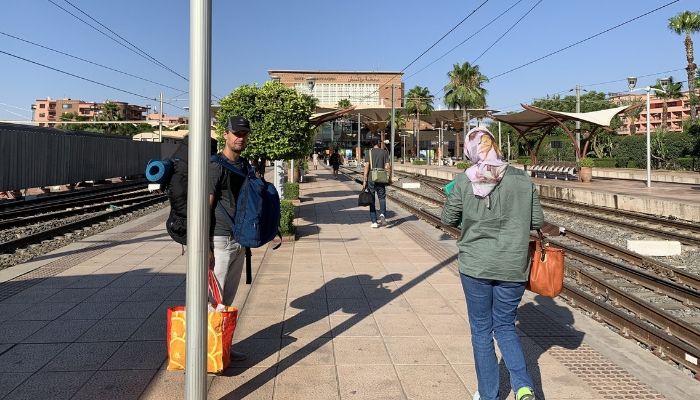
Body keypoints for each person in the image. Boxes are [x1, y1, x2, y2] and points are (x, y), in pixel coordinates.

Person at [441, 126, 544, 400]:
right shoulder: (522, 180)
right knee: (506, 326)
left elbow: (448, 218)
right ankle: (523, 386)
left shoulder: (465, 180)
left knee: (482, 330)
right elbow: (536, 222)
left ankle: (489, 395)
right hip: (513, 265)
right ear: (495, 145)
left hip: (476, 266)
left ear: (471, 149)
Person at [209, 116, 252, 362]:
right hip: (219, 240)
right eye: (236, 133)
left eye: (244, 133)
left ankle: (222, 347)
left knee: (226, 300)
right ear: (225, 134)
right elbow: (206, 206)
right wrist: (205, 247)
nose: (240, 138)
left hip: (238, 240)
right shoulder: (216, 166)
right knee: (214, 300)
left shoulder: (243, 165)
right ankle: (208, 351)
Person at [362, 141, 390, 228]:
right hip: (381, 178)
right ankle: (382, 214)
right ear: (379, 143)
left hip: (371, 178)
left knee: (372, 199)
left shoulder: (368, 152)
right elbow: (387, 166)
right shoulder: (384, 152)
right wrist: (388, 177)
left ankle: (374, 222)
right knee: (382, 197)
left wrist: (364, 179)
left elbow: (366, 166)